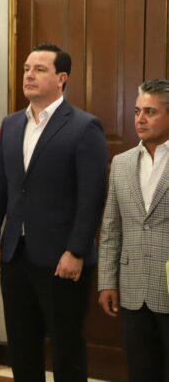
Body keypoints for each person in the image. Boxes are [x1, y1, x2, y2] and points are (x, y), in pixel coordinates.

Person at [0, 43, 108, 382]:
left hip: (62, 259)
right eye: (26, 69)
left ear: (62, 78)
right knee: (22, 347)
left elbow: (92, 197)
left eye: (39, 69)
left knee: (67, 348)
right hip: (15, 254)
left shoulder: (84, 127)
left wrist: (76, 250)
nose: (29, 76)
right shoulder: (11, 125)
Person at [98, 79, 169, 382]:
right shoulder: (122, 163)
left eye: (150, 112)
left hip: (168, 286)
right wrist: (107, 281)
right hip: (133, 288)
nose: (140, 119)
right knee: (141, 372)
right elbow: (111, 228)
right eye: (137, 111)